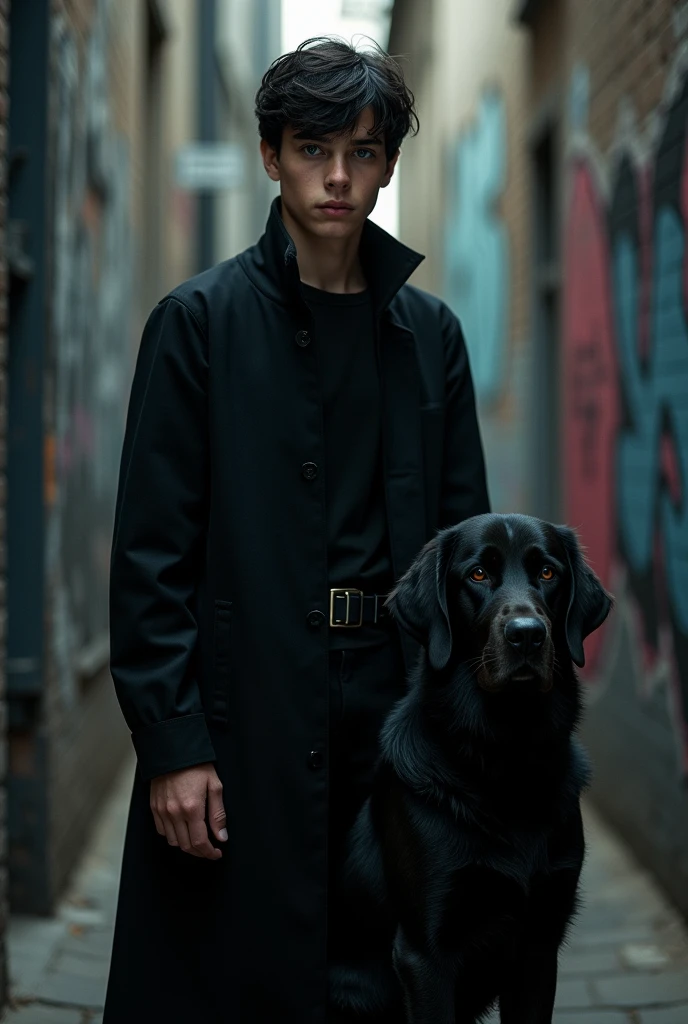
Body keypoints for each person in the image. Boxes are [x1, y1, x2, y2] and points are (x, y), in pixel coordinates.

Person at [103, 37, 489, 1024]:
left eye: (362, 152)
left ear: (389, 164)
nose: (336, 175)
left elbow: (465, 558)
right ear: (271, 155)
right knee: (234, 978)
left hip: (397, 711)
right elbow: (151, 554)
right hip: (247, 711)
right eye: (312, 148)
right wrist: (172, 740)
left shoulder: (432, 339)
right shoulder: (196, 325)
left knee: (395, 979)